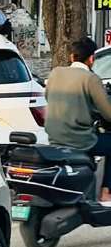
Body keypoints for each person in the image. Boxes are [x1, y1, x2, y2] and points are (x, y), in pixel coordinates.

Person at [45, 36, 111, 203]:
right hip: (80, 140)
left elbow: (48, 97)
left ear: (72, 57)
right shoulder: (90, 78)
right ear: (91, 59)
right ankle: (106, 192)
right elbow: (108, 113)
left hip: (54, 137)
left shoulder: (55, 73)